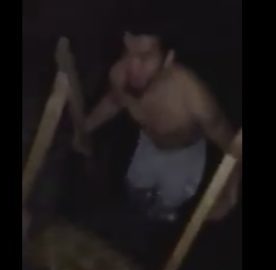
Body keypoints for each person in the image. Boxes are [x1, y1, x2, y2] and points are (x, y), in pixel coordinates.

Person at [79, 18, 242, 223]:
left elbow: (234, 145)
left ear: (168, 59)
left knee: (167, 207)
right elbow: (114, 101)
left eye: (144, 57)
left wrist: (230, 193)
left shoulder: (192, 97)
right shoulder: (120, 74)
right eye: (127, 53)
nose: (132, 66)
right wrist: (84, 126)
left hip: (184, 155)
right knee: (136, 192)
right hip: (147, 144)